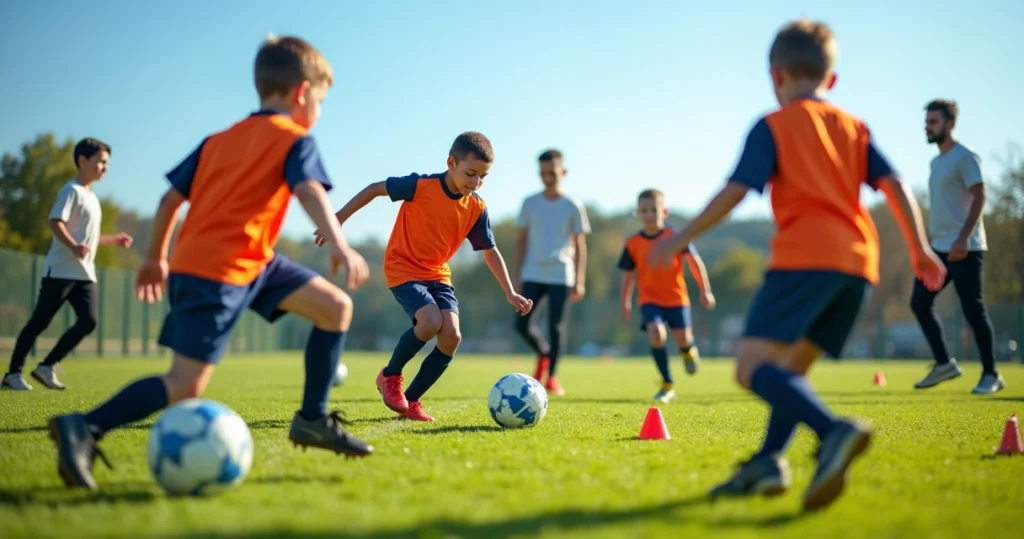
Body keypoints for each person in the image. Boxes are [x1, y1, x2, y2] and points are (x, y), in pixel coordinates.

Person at [47, 35, 374, 491]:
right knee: (184, 385)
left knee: (335, 307)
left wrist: (155, 258)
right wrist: (339, 243)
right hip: (214, 271)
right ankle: (84, 425)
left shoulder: (217, 140)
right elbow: (308, 190)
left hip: (248, 261)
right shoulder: (297, 140)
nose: (318, 111)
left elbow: (167, 201)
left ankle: (313, 419)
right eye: (320, 100)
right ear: (302, 94)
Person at [648, 19, 946, 511]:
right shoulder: (854, 127)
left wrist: (682, 236)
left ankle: (834, 431)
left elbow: (737, 189)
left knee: (751, 368)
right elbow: (896, 186)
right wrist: (918, 248)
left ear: (775, 75)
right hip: (857, 267)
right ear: (831, 79)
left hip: (805, 259)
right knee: (790, 374)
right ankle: (769, 460)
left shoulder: (774, 125)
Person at [317, 132, 532, 422]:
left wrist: (510, 291)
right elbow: (374, 189)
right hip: (402, 267)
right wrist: (339, 217)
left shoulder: (476, 208)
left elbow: (490, 252)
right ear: (451, 163)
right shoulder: (421, 185)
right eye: (470, 173)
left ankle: (412, 403)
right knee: (430, 321)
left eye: (483, 177)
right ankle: (390, 376)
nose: (475, 182)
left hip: (437, 274)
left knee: (452, 336)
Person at [3, 138, 132, 391]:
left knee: (89, 321)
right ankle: (12, 374)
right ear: (82, 160)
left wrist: (112, 240)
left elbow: (88, 238)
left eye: (107, 163)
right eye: (101, 162)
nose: (104, 167)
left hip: (84, 273)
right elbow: (55, 222)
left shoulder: (92, 197)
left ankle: (46, 366)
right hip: (61, 271)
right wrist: (73, 246)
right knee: (40, 321)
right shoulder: (71, 190)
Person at [910, 99, 1004, 394]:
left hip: (965, 247)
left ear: (950, 124)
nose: (928, 127)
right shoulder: (936, 162)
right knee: (920, 303)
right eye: (927, 122)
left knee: (972, 309)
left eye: (934, 122)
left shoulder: (965, 157)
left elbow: (980, 196)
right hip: (938, 248)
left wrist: (964, 237)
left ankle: (991, 374)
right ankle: (944, 363)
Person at [619, 188, 715, 403]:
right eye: (644, 211)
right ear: (638, 213)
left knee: (684, 340)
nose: (649, 215)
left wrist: (705, 290)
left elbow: (694, 262)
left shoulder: (676, 237)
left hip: (677, 300)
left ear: (665, 211)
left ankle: (689, 352)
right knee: (656, 334)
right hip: (649, 300)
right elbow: (628, 275)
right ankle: (667, 385)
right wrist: (625, 301)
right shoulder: (633, 243)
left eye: (654, 210)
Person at [512, 149, 590, 395]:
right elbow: (521, 241)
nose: (548, 177)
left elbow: (579, 245)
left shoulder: (572, 205)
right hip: (532, 273)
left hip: (561, 274)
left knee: (556, 327)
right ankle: (544, 353)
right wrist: (516, 275)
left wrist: (579, 280)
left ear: (563, 172)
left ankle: (552, 377)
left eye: (553, 172)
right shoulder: (529, 203)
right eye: (543, 173)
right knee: (521, 324)